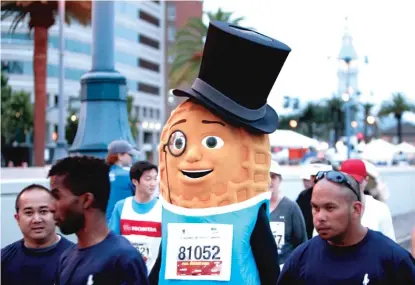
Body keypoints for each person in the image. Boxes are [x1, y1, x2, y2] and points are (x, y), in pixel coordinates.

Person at [150, 20, 290, 285]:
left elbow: (268, 262)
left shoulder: (249, 210)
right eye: (178, 143)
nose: (190, 155)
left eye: (211, 142)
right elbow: (164, 256)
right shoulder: (171, 210)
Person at [277, 170, 415, 284]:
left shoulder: (393, 259)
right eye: (315, 208)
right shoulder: (301, 258)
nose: (320, 217)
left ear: (356, 209)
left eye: (330, 207)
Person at [49, 156, 149, 285]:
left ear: (86, 200)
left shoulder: (124, 259)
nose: (51, 207)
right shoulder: (66, 259)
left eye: (57, 196)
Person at [1, 184, 73, 285]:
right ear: (17, 218)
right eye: (29, 213)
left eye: (43, 211)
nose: (37, 220)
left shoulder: (75, 259)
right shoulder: (4, 259)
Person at [313, 159, 396, 241]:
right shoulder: (327, 207)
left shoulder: (380, 209)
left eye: (356, 181)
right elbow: (317, 241)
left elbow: (391, 243)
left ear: (366, 180)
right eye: (348, 182)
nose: (353, 186)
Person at [109, 161, 162, 274]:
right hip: (126, 273)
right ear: (135, 181)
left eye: (155, 178)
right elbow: (112, 241)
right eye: (148, 179)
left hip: (154, 275)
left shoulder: (162, 208)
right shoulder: (121, 206)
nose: (153, 183)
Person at [269, 160, 307, 266]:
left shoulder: (291, 208)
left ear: (280, 180)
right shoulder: (256, 208)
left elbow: (301, 242)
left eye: (273, 177)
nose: (269, 181)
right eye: (266, 177)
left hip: (285, 269)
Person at [296, 162, 333, 239]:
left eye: (320, 177)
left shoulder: (335, 195)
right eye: (313, 177)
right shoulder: (304, 196)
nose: (315, 180)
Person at [106, 140, 140, 222]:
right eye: (130, 155)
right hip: (124, 223)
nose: (132, 157)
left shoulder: (103, 174)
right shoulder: (128, 175)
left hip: (106, 223)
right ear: (120, 156)